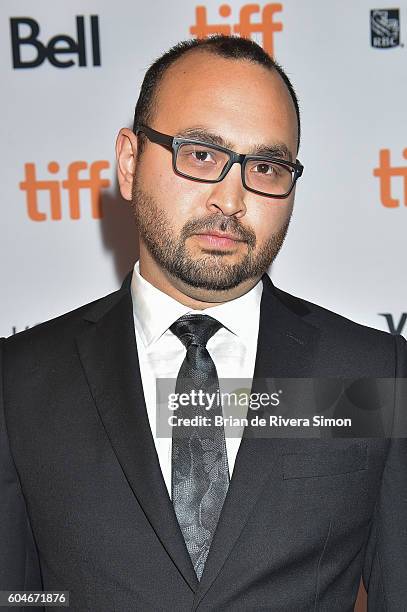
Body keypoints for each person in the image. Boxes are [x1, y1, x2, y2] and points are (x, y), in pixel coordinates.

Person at [1, 35, 406, 612]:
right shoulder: (18, 382)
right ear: (130, 161)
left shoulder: (375, 374)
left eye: (266, 166)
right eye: (200, 155)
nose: (231, 197)